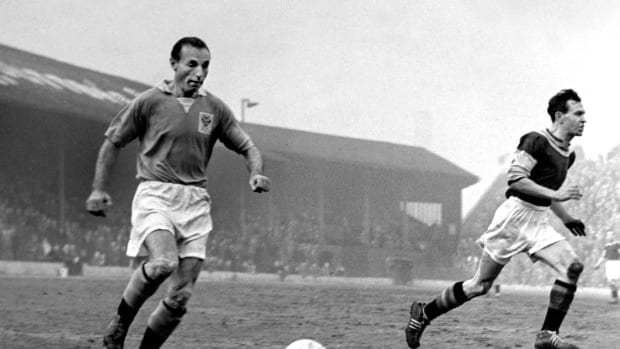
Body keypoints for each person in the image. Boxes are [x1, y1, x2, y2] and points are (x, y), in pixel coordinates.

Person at [85, 36, 271, 349]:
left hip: (195, 202)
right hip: (155, 195)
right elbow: (113, 142)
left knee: (180, 296)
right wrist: (98, 189)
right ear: (174, 65)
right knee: (163, 264)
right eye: (192, 64)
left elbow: (248, 146)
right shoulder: (149, 102)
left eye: (205, 66)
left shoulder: (214, 108)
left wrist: (256, 173)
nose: (199, 72)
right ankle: (119, 326)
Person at [405, 89, 587, 349]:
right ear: (559, 116)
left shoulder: (568, 156)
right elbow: (516, 179)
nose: (584, 119)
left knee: (572, 268)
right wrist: (556, 194)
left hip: (538, 220)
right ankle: (423, 314)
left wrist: (566, 217)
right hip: (513, 218)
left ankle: (547, 334)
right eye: (578, 113)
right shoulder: (535, 140)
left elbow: (546, 190)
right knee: (479, 286)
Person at [593, 231, 620, 304]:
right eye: (607, 235)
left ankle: (614, 298)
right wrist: (598, 264)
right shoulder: (606, 246)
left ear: (613, 236)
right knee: (610, 281)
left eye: (610, 235)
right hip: (609, 264)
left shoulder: (617, 244)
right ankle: (615, 298)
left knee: (614, 281)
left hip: (616, 263)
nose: (609, 236)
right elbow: (603, 256)